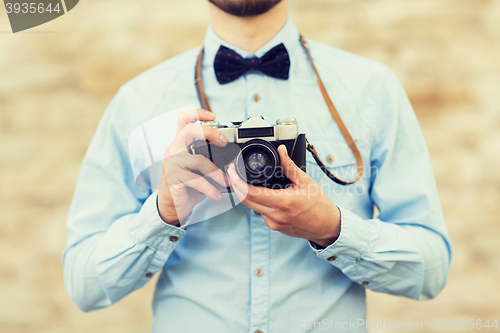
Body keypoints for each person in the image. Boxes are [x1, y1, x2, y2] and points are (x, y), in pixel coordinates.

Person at [62, 0, 452, 332]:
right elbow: (85, 285)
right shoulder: (138, 100)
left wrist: (332, 229)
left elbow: (431, 270)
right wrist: (163, 212)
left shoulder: (372, 89)